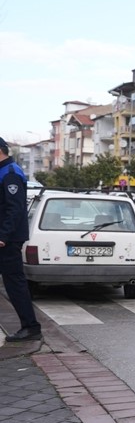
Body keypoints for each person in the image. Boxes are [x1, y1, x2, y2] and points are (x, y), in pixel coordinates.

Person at [0, 137, 41, 343]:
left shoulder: (10, 173)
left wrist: (3, 237)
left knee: (15, 284)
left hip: (7, 241)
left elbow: (14, 209)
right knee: (13, 283)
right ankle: (30, 326)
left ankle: (31, 327)